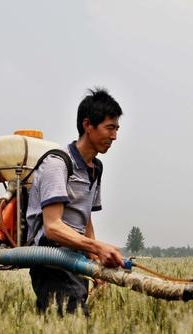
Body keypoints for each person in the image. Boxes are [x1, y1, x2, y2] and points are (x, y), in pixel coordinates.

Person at [25, 88, 125, 316]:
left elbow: (84, 217)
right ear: (87, 125)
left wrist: (96, 261)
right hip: (51, 261)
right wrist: (98, 247)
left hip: (74, 259)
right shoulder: (58, 164)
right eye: (110, 128)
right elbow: (52, 227)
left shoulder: (96, 168)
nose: (114, 136)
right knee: (72, 329)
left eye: (117, 129)